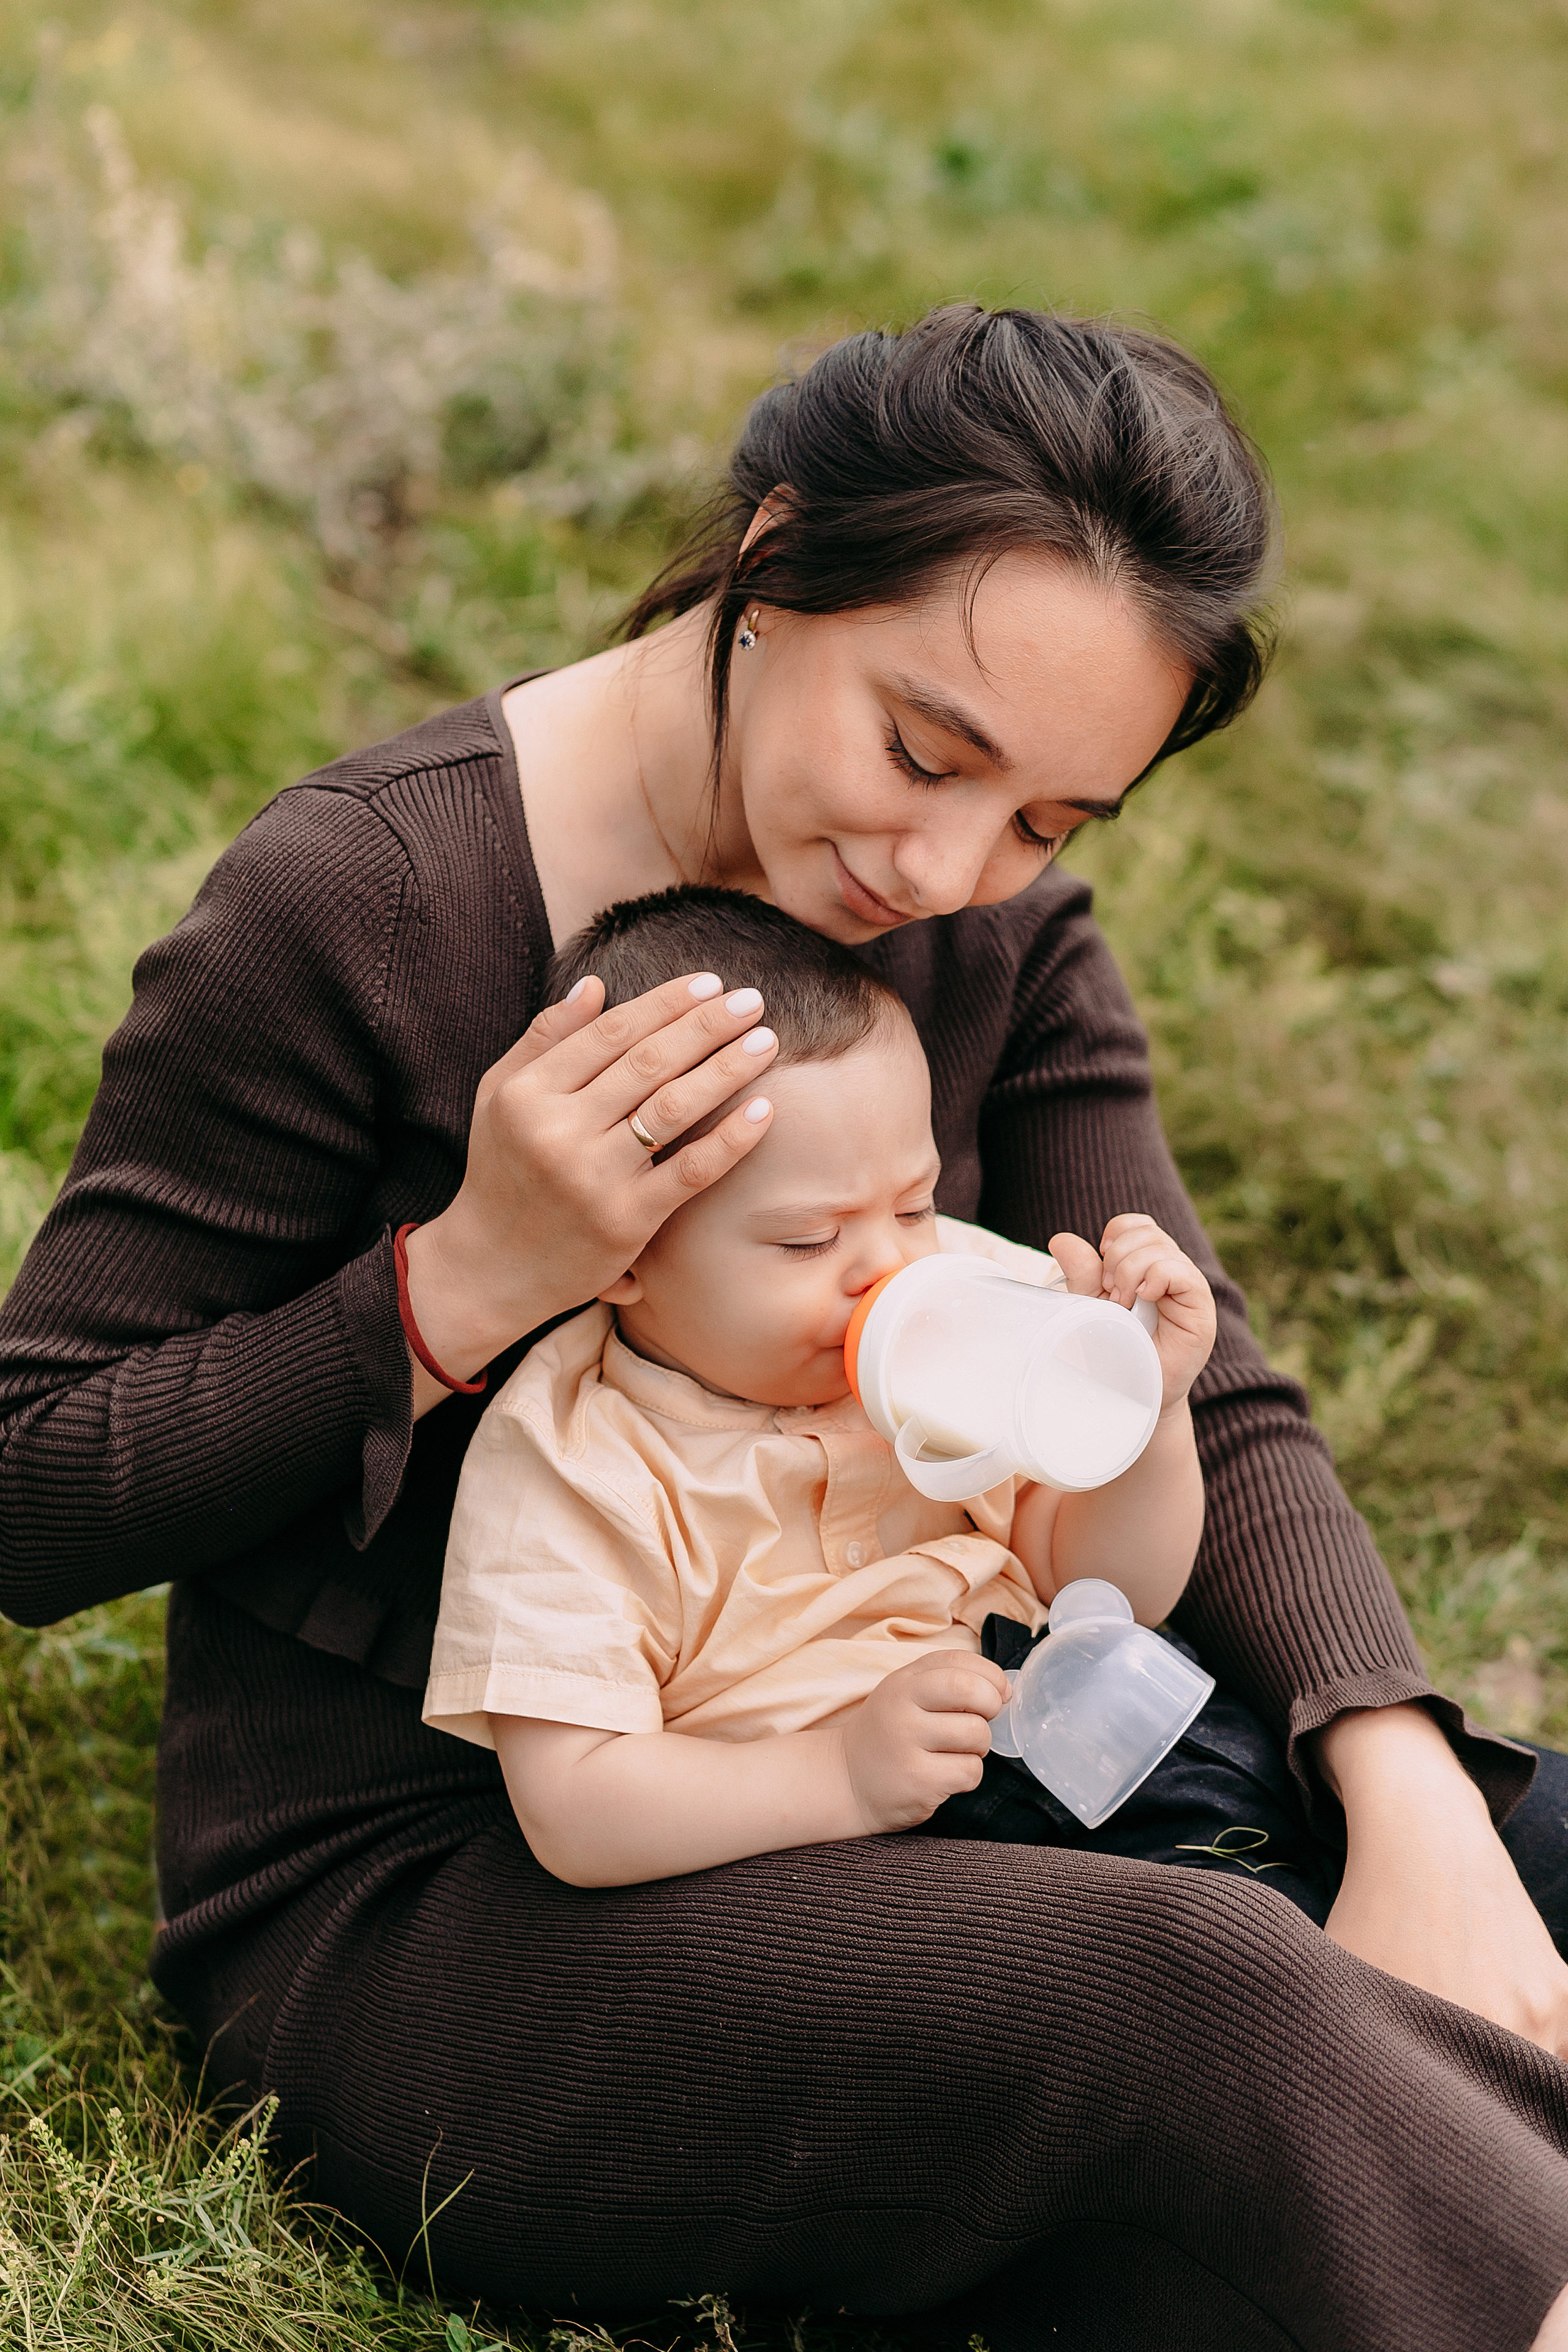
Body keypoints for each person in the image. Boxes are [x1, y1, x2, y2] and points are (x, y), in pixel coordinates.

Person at [2, 301, 1567, 2349]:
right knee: (1206, 1987)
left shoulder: (983, 935)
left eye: (1044, 822)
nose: (942, 868)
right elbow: (33, 1488)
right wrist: (468, 1279)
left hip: (945, 1766)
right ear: (770, 555)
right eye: (923, 749)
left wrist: (1410, 1788)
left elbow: (1205, 1386)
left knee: (1507, 1856)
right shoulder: (363, 911)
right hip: (460, 1892)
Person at [424, 885, 1229, 1891]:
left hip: (1080, 1735)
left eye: (915, 1204)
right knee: (1211, 1961)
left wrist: (1144, 1414)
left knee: (1294, 1866)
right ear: (617, 1249)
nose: (887, 1268)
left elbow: (1109, 1590)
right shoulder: (579, 1462)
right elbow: (575, 1808)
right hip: (848, 1863)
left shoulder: (974, 1313)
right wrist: (841, 1775)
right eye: (808, 1239)